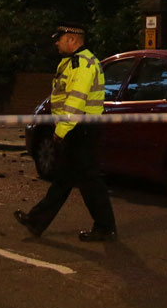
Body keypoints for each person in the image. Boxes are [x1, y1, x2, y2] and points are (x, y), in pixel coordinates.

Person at [14, 22, 118, 242]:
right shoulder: (72, 63)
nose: (56, 42)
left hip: (81, 128)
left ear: (71, 40)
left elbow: (75, 101)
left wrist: (61, 131)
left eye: (59, 38)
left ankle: (105, 227)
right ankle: (38, 220)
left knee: (85, 179)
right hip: (78, 127)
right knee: (67, 178)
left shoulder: (83, 64)